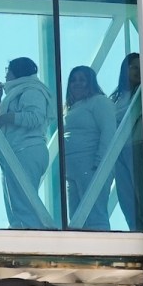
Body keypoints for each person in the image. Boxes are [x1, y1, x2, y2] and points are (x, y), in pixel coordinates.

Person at [0, 57, 54, 229]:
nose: (6, 76)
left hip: (26, 149)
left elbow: (35, 117)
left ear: (16, 72)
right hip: (15, 151)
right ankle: (21, 237)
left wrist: (7, 117)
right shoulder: (16, 93)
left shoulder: (31, 91)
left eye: (8, 71)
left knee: (23, 205)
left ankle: (33, 239)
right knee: (16, 207)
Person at [63, 66, 116, 230]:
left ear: (90, 82)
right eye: (73, 80)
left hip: (91, 166)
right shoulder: (70, 108)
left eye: (82, 79)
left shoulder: (99, 101)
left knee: (95, 215)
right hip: (72, 171)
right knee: (76, 218)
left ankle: (104, 252)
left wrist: (100, 163)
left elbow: (108, 131)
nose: (77, 83)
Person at [111, 52, 143, 231]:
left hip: (137, 147)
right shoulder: (115, 97)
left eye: (141, 68)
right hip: (119, 152)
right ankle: (135, 232)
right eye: (134, 67)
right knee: (126, 198)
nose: (137, 72)